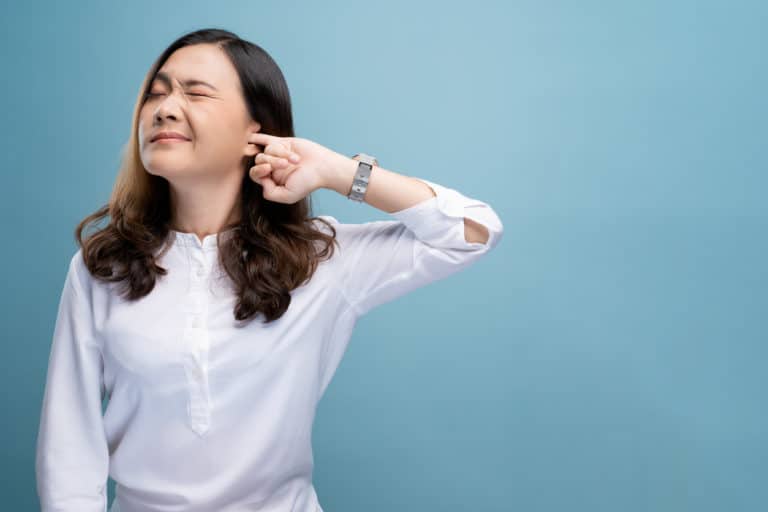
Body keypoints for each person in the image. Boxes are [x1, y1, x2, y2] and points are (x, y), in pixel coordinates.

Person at [34, 28, 504, 512]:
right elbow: (69, 450)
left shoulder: (321, 259)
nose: (165, 107)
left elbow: (474, 232)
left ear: (254, 131)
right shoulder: (102, 267)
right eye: (156, 93)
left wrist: (339, 171)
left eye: (195, 92)